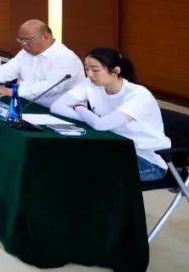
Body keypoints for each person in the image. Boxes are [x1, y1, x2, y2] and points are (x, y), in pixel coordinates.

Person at [51, 48, 169, 182]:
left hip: (146, 159)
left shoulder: (139, 95)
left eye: (95, 70)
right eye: (86, 69)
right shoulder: (90, 83)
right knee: (67, 163)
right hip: (113, 148)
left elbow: (101, 125)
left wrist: (79, 107)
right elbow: (57, 107)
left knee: (87, 176)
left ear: (116, 70)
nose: (89, 74)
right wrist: (92, 119)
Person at [0, 19, 83, 104]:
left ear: (45, 37)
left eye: (27, 40)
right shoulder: (26, 52)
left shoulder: (65, 58)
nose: (23, 44)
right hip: (26, 102)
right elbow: (8, 69)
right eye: (20, 39)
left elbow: (50, 88)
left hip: (58, 111)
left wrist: (16, 91)